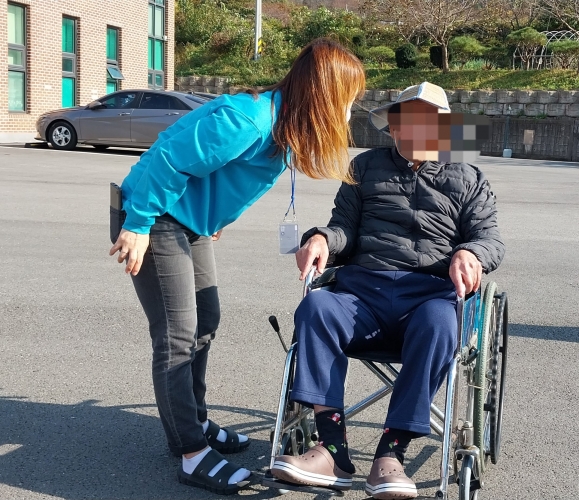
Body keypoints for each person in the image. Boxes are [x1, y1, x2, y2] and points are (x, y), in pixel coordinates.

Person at [108, 38, 366, 495]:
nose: (349, 112)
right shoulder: (248, 121)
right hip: (156, 218)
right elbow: (168, 159)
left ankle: (194, 421)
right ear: (324, 95)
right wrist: (138, 222)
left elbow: (222, 177)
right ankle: (191, 453)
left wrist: (214, 219)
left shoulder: (284, 128)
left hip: (190, 223)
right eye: (348, 100)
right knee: (177, 335)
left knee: (206, 320)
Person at [270, 82, 505, 499]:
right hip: (363, 293)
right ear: (393, 128)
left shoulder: (468, 177)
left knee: (440, 323)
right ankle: (332, 450)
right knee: (316, 308)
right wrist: (322, 238)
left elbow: (490, 239)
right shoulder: (364, 167)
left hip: (429, 296)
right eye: (406, 122)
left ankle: (391, 453)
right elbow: (343, 228)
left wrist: (471, 252)